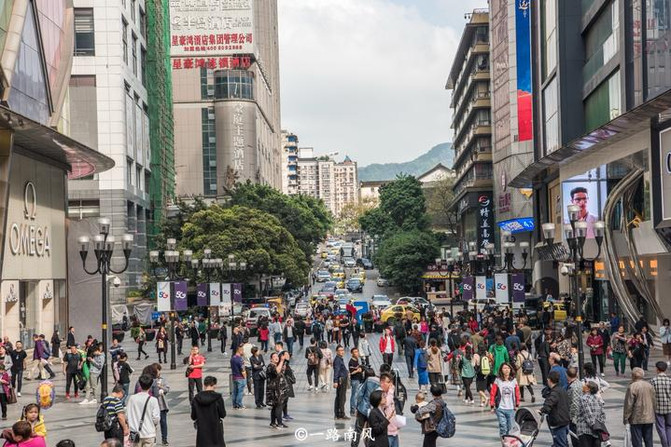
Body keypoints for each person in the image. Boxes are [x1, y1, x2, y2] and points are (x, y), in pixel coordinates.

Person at [623, 367, 656, 447]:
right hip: (649, 417)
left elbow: (629, 404)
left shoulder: (632, 387)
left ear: (633, 376)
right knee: (649, 441)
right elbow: (654, 401)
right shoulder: (649, 386)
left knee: (637, 441)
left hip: (636, 418)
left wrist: (626, 418)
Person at [190, 376, 226, 447]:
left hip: (202, 432)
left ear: (204, 385)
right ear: (214, 385)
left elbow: (193, 416)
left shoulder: (196, 398)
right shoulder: (218, 398)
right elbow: (223, 414)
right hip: (216, 431)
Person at [126, 374, 160, 447]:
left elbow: (127, 415)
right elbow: (156, 418)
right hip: (149, 433)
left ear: (140, 385)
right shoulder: (153, 400)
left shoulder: (132, 398)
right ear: (150, 385)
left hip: (135, 433)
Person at [540, 370, 571, 447]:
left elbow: (548, 404)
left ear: (549, 380)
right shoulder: (562, 389)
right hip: (564, 420)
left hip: (558, 422)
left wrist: (542, 410)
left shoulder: (555, 392)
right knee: (563, 442)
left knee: (560, 444)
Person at [352, 368, 381, 447]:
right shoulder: (380, 382)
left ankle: (354, 445)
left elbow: (360, 394)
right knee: (371, 430)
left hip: (363, 408)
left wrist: (357, 406)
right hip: (373, 411)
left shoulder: (368, 380)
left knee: (358, 429)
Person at [490, 362, 519, 436]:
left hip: (511, 408)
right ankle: (503, 440)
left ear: (510, 369)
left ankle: (508, 441)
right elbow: (493, 393)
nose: (506, 370)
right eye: (504, 368)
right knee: (503, 426)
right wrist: (492, 405)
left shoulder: (514, 380)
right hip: (500, 408)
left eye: (508, 368)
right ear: (501, 370)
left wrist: (517, 404)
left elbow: (517, 393)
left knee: (510, 427)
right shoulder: (498, 380)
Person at [576, 381, 606, 447]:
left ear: (588, 389)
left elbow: (587, 413)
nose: (583, 386)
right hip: (597, 430)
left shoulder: (583, 399)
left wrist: (593, 425)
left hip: (585, 429)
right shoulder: (598, 399)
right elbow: (603, 414)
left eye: (585, 385)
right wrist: (599, 426)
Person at [266, 351, 289, 429]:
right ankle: (279, 423)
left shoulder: (275, 365)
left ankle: (273, 422)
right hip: (274, 391)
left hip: (278, 390)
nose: (276, 358)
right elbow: (277, 371)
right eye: (274, 357)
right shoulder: (270, 366)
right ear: (271, 359)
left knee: (275, 406)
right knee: (279, 406)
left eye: (277, 356)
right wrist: (282, 361)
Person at [652, 361, 671, 447]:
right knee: (669, 427)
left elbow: (651, 395)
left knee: (661, 427)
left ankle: (665, 445)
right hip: (669, 408)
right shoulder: (669, 380)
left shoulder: (653, 381)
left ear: (657, 369)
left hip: (658, 408)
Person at [566, 367, 582, 446]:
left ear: (567, 375)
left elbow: (574, 404)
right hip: (581, 414)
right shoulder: (580, 383)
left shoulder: (572, 387)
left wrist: (572, 417)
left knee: (575, 438)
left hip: (575, 417)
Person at [333, 345, 349, 420]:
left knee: (340, 397)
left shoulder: (339, 359)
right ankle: (341, 414)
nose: (342, 352)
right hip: (341, 380)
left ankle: (338, 413)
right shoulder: (337, 360)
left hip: (342, 379)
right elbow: (336, 371)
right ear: (336, 351)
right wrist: (335, 381)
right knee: (341, 397)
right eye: (340, 350)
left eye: (342, 350)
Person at [348, 348, 364, 417]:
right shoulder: (351, 362)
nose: (357, 353)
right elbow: (351, 372)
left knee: (357, 395)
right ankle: (352, 410)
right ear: (352, 353)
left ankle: (356, 408)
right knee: (354, 395)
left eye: (357, 351)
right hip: (355, 380)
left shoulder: (358, 360)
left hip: (359, 379)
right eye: (355, 352)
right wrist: (358, 370)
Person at [230, 345, 246, 410]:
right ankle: (239, 404)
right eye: (243, 351)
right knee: (240, 392)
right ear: (240, 351)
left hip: (234, 377)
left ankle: (234, 405)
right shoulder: (240, 359)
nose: (243, 352)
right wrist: (245, 377)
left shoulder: (232, 358)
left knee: (235, 391)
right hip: (240, 377)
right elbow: (243, 369)